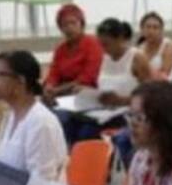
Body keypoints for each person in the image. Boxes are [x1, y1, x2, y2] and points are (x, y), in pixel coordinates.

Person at [63, 18, 153, 148]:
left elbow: (150, 95)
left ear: (120, 39)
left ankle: (95, 163)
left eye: (107, 44)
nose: (103, 48)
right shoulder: (105, 57)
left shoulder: (137, 58)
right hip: (104, 110)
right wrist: (86, 91)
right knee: (69, 122)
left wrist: (122, 100)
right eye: (100, 44)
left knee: (87, 132)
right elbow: (103, 85)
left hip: (127, 111)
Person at [0, 50, 67, 181]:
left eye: (1, 74)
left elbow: (43, 184)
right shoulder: (10, 116)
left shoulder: (41, 123)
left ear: (21, 81)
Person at [41, 3, 103, 102]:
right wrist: (49, 86)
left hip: (86, 90)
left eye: (73, 23)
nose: (69, 28)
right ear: (60, 28)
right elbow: (53, 73)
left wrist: (57, 90)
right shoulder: (60, 49)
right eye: (65, 24)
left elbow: (87, 78)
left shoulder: (92, 44)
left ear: (81, 24)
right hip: (62, 91)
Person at [137, 12, 172, 79]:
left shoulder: (168, 46)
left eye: (155, 28)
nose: (151, 31)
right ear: (142, 29)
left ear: (161, 30)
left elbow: (166, 74)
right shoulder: (140, 49)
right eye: (148, 27)